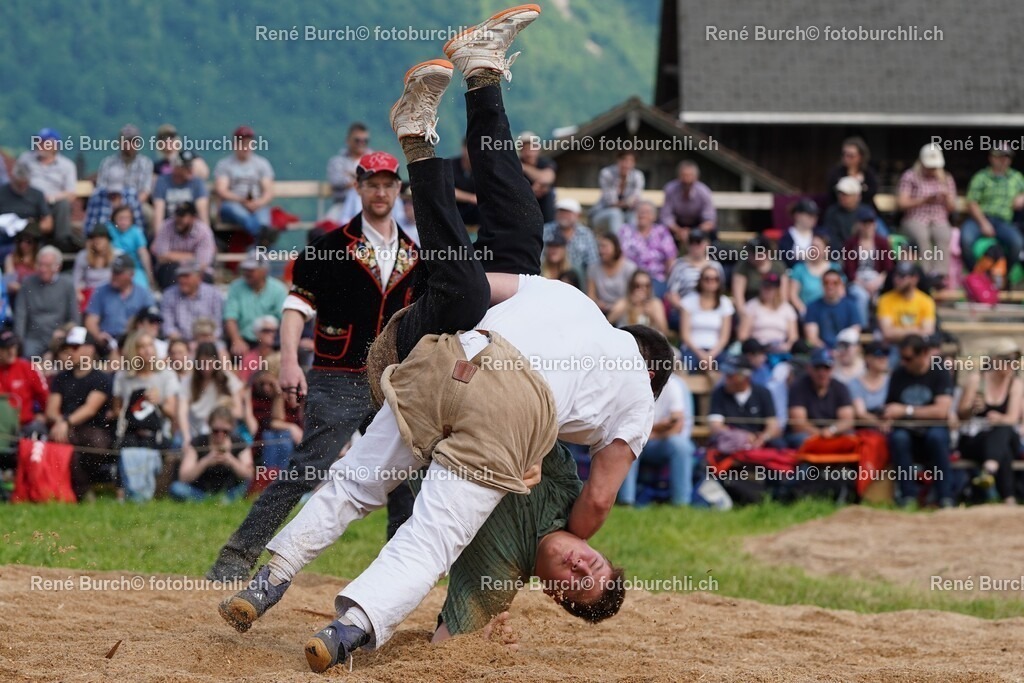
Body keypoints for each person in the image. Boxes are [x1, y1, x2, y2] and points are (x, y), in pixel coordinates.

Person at [220, 19, 667, 669]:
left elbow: (498, 281)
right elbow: (599, 497)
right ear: (648, 370)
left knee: (356, 480)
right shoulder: (632, 404)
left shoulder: (577, 308)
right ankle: (347, 630)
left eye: (579, 574)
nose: (579, 561)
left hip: (449, 355)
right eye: (589, 565)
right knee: (423, 538)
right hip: (460, 350)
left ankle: (267, 582)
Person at [205, 149, 424, 582]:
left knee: (406, 478)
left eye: (388, 184)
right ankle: (236, 557)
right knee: (307, 469)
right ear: (358, 187)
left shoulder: (417, 255)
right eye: (372, 183)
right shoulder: (327, 248)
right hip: (337, 376)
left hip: (394, 381)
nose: (380, 192)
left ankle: (399, 574)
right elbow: (295, 308)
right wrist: (289, 362)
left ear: (398, 190)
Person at [883, 334, 954, 508]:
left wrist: (906, 410)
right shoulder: (898, 374)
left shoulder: (939, 371)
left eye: (908, 358)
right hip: (906, 430)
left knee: (937, 438)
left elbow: (941, 411)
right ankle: (908, 496)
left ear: (923, 354)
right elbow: (890, 408)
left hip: (934, 429)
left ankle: (945, 497)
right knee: (899, 439)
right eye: (902, 358)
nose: (904, 362)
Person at [45, 327, 114, 501]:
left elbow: (90, 409)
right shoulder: (61, 378)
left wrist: (65, 422)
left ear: (90, 349)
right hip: (66, 428)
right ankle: (78, 492)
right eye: (68, 347)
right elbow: (51, 410)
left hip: (93, 429)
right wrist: (62, 422)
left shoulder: (101, 378)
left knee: (93, 444)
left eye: (75, 347)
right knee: (65, 443)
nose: (70, 351)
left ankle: (81, 489)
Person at [956, 337, 1022, 505]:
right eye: (1007, 360)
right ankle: (1009, 498)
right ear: (994, 359)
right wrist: (971, 408)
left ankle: (988, 470)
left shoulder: (1016, 384)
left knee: (1003, 429)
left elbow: (1012, 418)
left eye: (1016, 360)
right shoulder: (977, 380)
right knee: (1003, 447)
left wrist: (998, 418)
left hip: (1003, 437)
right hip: (977, 440)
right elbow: (961, 415)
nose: (1012, 364)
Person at [617, 372, 694, 506]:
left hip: (657, 442)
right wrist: (658, 427)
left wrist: (653, 433)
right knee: (628, 442)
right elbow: (627, 426)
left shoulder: (672, 385)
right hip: (635, 439)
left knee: (680, 445)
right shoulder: (632, 386)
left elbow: (677, 426)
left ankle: (681, 503)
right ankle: (626, 502)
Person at [898, 144, 956, 286]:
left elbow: (952, 208)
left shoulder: (946, 178)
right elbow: (901, 203)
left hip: (938, 217)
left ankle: (940, 274)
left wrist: (946, 197)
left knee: (943, 235)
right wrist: (924, 200)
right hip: (915, 217)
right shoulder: (910, 176)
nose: (932, 169)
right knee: (921, 236)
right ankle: (925, 273)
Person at [960, 147, 1024, 273]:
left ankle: (1004, 276)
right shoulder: (981, 177)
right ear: (991, 158)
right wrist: (983, 223)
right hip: (979, 219)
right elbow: (971, 202)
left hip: (1003, 222)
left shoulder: (1017, 177)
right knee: (965, 239)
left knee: (1017, 243)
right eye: (1000, 156)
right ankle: (975, 275)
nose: (1004, 160)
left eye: (1007, 157)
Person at [171, 406, 254, 502]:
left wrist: (231, 461)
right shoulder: (197, 443)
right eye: (216, 431)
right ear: (209, 425)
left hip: (230, 491)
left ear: (232, 428)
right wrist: (205, 462)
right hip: (201, 492)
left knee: (249, 485)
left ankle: (222, 501)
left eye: (225, 431)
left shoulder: (239, 443)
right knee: (176, 488)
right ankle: (213, 502)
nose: (220, 434)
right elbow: (183, 477)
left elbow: (249, 475)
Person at [17, 128, 77, 250]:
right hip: (28, 201)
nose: (40, 145)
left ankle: (62, 241)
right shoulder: (25, 159)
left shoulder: (67, 165)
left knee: (63, 205)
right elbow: (17, 180)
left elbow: (71, 193)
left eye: (45, 142)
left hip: (52, 203)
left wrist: (52, 198)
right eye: (39, 141)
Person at [14, 245, 78, 359]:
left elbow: (74, 318)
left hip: (58, 336)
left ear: (58, 267)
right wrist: (18, 343)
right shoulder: (27, 283)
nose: (43, 269)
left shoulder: (67, 285)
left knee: (65, 359)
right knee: (27, 357)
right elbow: (20, 315)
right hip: (34, 337)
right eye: (40, 265)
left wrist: (63, 332)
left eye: (47, 265)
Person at [785, 348, 855, 448]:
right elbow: (798, 424)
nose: (822, 373)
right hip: (808, 435)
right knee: (801, 439)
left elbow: (847, 420)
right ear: (809, 368)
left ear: (832, 369)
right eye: (817, 368)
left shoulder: (840, 387)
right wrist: (820, 434)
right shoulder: (798, 387)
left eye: (826, 368)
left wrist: (831, 430)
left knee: (851, 438)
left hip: (833, 433)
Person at [213, 126, 275, 237]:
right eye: (242, 143)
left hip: (257, 204)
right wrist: (242, 201)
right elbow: (221, 190)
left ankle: (258, 246)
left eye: (248, 143)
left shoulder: (262, 164)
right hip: (233, 204)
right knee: (241, 214)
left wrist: (258, 202)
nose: (245, 147)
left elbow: (268, 191)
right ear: (234, 144)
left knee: (264, 221)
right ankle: (264, 240)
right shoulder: (225, 165)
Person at [224, 251, 288, 357]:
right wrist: (236, 340)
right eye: (245, 269)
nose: (247, 273)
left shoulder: (278, 289)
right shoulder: (236, 287)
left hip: (272, 341)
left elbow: (284, 319)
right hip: (245, 340)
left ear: (264, 270)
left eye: (251, 270)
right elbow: (230, 317)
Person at [708, 355, 781, 446]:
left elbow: (773, 424)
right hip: (731, 444)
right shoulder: (719, 393)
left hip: (760, 445)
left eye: (731, 376)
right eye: (726, 375)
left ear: (745, 377)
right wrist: (741, 436)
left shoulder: (763, 393)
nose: (726, 380)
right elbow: (715, 426)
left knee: (779, 444)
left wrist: (764, 437)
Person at [84, 254, 156, 346]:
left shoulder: (144, 294)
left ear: (131, 274)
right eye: (113, 271)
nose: (114, 275)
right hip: (107, 341)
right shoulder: (101, 291)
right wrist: (98, 336)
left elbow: (152, 323)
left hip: (135, 342)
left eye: (118, 273)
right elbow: (91, 321)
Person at [843, 206, 893, 327]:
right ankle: (863, 327)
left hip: (877, 278)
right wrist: (864, 285)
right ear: (859, 225)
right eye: (864, 223)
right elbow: (849, 270)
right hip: (858, 280)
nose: (868, 226)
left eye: (870, 223)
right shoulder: (851, 243)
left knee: (881, 298)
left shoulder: (882, 242)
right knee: (861, 297)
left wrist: (876, 283)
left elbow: (888, 267)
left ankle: (880, 326)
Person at [182, 341, 245, 437]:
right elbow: (182, 412)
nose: (206, 368)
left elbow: (238, 411)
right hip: (196, 433)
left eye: (210, 363)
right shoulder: (188, 381)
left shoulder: (227, 378)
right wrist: (186, 437)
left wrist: (217, 416)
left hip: (222, 432)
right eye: (202, 363)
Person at [679, 264, 733, 373]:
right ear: (701, 281)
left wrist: (710, 355)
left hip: (716, 350)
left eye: (715, 279)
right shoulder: (688, 301)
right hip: (692, 349)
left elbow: (724, 337)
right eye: (707, 279)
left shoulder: (725, 303)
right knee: (684, 367)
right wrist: (701, 354)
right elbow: (685, 334)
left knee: (730, 369)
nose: (710, 282)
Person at [151, 201, 216, 289]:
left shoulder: (204, 231)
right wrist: (192, 256)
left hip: (197, 271)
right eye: (177, 215)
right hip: (172, 270)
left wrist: (172, 256)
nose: (178, 219)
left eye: (182, 216)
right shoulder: (166, 226)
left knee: (202, 277)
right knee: (169, 269)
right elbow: (161, 256)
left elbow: (203, 263)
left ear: (193, 218)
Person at [160, 261, 224, 343]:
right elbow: (167, 327)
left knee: (221, 352)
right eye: (180, 276)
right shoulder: (169, 294)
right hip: (180, 342)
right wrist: (185, 344)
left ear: (199, 277)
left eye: (186, 276)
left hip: (209, 341)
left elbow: (218, 326)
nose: (182, 280)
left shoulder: (213, 294)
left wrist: (205, 342)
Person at [617, 200, 676, 287]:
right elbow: (618, 256)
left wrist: (669, 282)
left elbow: (670, 259)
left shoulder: (661, 232)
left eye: (647, 212)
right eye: (640, 212)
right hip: (630, 279)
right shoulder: (625, 230)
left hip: (656, 279)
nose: (642, 215)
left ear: (654, 216)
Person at [876, 262, 936, 347]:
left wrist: (898, 331)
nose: (897, 280)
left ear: (914, 279)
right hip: (893, 345)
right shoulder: (885, 300)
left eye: (902, 276)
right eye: (896, 276)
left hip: (918, 346)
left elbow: (928, 331)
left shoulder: (926, 301)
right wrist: (916, 330)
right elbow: (887, 333)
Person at [0, 161, 51, 258]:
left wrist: (30, 226)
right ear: (12, 178)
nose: (22, 187)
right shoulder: (2, 192)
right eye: (19, 184)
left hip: (29, 237)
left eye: (25, 183)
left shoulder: (37, 194)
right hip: (4, 237)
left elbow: (48, 223)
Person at [664, 228, 724, 311]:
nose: (695, 246)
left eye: (698, 242)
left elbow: (719, 292)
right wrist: (685, 311)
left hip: (711, 310)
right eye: (691, 242)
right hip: (683, 309)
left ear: (707, 244)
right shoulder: (678, 265)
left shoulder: (716, 266)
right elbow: (672, 294)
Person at [95, 125, 154, 209]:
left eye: (134, 141)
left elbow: (145, 191)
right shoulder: (108, 163)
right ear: (119, 142)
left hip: (136, 204)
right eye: (127, 141)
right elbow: (101, 187)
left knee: (146, 211)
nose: (130, 144)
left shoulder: (146, 163)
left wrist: (130, 208)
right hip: (110, 202)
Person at [738, 272, 798, 353]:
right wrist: (756, 348)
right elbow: (743, 335)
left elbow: (793, 337)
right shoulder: (752, 306)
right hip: (757, 350)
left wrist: (787, 346)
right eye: (765, 287)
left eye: (770, 288)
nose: (767, 291)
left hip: (780, 349)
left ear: (777, 289)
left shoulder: (787, 308)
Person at [0, 330, 48, 431]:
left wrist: (43, 414)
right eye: (5, 348)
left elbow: (45, 396)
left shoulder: (27, 367)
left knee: (38, 428)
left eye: (13, 346)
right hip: (2, 427)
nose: (11, 351)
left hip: (25, 425)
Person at [542, 197, 598, 283]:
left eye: (567, 212)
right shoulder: (546, 230)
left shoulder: (586, 234)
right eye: (561, 212)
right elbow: (540, 258)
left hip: (577, 279)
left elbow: (592, 262)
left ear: (578, 215)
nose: (563, 215)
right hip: (549, 275)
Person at [731, 236, 788, 319]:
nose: (752, 255)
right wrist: (745, 317)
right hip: (750, 311)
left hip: (775, 310)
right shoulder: (743, 266)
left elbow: (783, 296)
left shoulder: (778, 267)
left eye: (756, 253)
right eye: (751, 252)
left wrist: (777, 316)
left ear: (767, 253)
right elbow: (739, 298)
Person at [660, 160, 716, 244]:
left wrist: (692, 232)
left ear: (696, 177)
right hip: (677, 224)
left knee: (712, 233)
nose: (686, 180)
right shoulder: (670, 189)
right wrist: (678, 230)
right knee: (662, 230)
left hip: (697, 224)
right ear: (678, 176)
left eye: (689, 176)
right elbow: (666, 217)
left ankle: (710, 255)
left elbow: (710, 220)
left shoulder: (703, 192)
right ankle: (667, 255)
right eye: (684, 176)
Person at [804, 269, 861, 349]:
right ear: (822, 285)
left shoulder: (850, 306)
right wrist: (829, 352)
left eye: (835, 283)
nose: (830, 286)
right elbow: (812, 338)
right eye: (826, 283)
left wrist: (840, 350)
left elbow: (854, 333)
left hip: (845, 350)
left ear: (840, 284)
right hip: (822, 353)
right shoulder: (812, 307)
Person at [152, 150, 210, 228]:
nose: (190, 169)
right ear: (176, 167)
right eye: (186, 166)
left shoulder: (197, 183)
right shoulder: (162, 181)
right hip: (169, 227)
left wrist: (207, 236)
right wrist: (159, 236)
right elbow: (158, 214)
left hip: (191, 228)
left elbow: (203, 215)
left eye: (191, 166)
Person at [590, 151, 644, 234]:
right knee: (616, 213)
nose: (627, 164)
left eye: (631, 161)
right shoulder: (607, 173)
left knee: (634, 217)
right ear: (618, 160)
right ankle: (617, 245)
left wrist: (627, 203)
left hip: (627, 215)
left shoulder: (637, 176)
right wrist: (627, 203)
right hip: (602, 214)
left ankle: (632, 245)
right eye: (624, 160)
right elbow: (611, 202)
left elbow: (635, 200)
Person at [788, 232, 839, 317]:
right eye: (812, 246)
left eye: (817, 247)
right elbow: (793, 295)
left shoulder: (835, 268)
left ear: (826, 250)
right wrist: (803, 310)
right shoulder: (799, 269)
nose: (813, 250)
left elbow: (841, 293)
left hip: (831, 312)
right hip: (807, 313)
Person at [824, 136, 879, 212]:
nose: (846, 158)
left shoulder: (868, 173)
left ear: (860, 157)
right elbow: (832, 193)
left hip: (864, 211)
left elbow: (872, 191)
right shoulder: (835, 173)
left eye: (851, 156)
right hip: (840, 212)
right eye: (844, 154)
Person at [107, 205, 156, 290]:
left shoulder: (136, 232)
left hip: (133, 269)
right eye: (120, 218)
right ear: (114, 219)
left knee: (141, 288)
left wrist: (150, 276)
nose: (123, 221)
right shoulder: (109, 230)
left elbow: (143, 254)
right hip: (112, 268)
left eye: (127, 218)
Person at [845, 340, 892, 429]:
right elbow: (860, 413)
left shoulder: (891, 381)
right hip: (866, 431)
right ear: (867, 358)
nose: (883, 358)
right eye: (879, 354)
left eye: (886, 353)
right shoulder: (855, 383)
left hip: (889, 427)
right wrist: (879, 424)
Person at [586, 232, 636, 315]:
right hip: (601, 309)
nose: (601, 250)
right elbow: (591, 294)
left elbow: (632, 295)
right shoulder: (593, 268)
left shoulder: (629, 268)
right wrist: (597, 302)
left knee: (623, 304)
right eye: (600, 247)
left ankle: (608, 324)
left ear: (615, 247)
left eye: (605, 247)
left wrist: (618, 306)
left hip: (623, 309)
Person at [606, 269, 668, 335]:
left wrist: (652, 315)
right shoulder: (624, 302)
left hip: (649, 342)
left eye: (647, 286)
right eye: (638, 285)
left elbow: (665, 331)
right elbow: (609, 320)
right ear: (631, 286)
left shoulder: (655, 303)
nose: (643, 289)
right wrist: (629, 304)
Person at [72, 224, 117, 311]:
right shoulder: (83, 256)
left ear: (107, 240)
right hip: (89, 296)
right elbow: (76, 281)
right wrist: (77, 292)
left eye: (101, 237)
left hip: (109, 294)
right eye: (94, 238)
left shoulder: (116, 256)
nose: (97, 240)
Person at [327, 123, 371, 208]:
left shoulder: (374, 159)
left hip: (369, 206)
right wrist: (363, 179)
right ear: (348, 140)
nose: (361, 143)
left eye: (365, 141)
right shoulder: (337, 161)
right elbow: (336, 181)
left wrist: (351, 176)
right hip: (342, 204)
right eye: (357, 140)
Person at [517, 130, 557, 222]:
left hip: (544, 204)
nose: (529, 152)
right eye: (525, 148)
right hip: (523, 203)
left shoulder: (545, 162)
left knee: (548, 193)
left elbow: (548, 178)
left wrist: (525, 168)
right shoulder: (515, 164)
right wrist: (530, 191)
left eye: (532, 147)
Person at [777, 198, 819, 268]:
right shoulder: (787, 237)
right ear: (797, 215)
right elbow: (786, 260)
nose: (813, 218)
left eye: (815, 215)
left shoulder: (819, 235)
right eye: (809, 214)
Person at [449, 139, 480, 232]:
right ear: (463, 149)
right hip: (455, 211)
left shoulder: (483, 169)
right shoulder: (451, 165)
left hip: (477, 214)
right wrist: (471, 198)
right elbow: (445, 190)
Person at [238, 315, 278, 383]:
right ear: (257, 333)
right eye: (266, 331)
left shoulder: (279, 357)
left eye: (274, 331)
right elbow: (243, 382)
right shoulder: (249, 358)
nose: (272, 334)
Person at [4, 229, 39, 301]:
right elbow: (10, 284)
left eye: (28, 241)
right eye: (21, 241)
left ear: (34, 243)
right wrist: (26, 289)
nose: (24, 244)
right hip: (16, 297)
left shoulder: (39, 259)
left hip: (35, 297)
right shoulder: (11, 258)